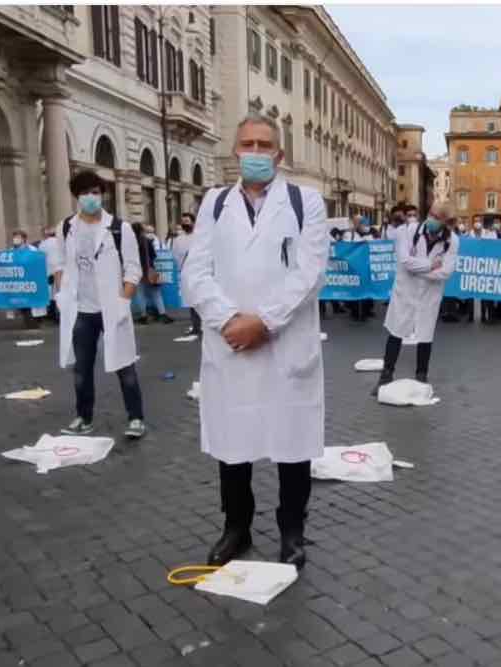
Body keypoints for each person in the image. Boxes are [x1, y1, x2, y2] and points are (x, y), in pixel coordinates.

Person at [182, 113, 329, 570]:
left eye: (265, 145)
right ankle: (236, 528)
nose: (256, 152)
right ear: (235, 152)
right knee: (233, 441)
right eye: (248, 144)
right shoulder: (214, 202)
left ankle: (292, 531)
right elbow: (195, 269)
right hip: (230, 344)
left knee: (292, 443)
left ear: (279, 155)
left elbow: (310, 272)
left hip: (284, 342)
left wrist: (263, 321)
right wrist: (228, 319)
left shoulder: (307, 202)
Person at [55, 170, 147, 440]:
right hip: (80, 309)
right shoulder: (66, 228)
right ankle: (84, 417)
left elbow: (133, 269)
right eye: (85, 193)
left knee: (124, 365)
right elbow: (59, 263)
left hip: (111, 308)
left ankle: (136, 418)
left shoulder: (120, 228)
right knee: (81, 369)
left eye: (95, 192)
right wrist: (61, 294)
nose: (90, 198)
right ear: (76, 196)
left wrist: (123, 301)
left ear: (103, 195)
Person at [373, 201, 458, 395]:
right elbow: (405, 261)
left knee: (425, 336)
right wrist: (429, 266)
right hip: (406, 292)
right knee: (396, 331)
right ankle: (385, 377)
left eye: (437, 217)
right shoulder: (409, 231)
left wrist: (418, 269)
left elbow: (445, 272)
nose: (431, 219)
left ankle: (421, 378)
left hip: (429, 295)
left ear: (445, 222)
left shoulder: (452, 241)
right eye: (431, 214)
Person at [341, 215, 376, 321]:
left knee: (366, 289)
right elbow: (346, 247)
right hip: (354, 266)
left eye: (363, 223)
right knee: (355, 289)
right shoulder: (349, 234)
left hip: (366, 266)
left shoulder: (370, 234)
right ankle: (355, 311)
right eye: (359, 222)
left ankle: (366, 310)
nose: (363, 225)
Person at [171, 212, 201, 335]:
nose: (185, 224)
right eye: (183, 222)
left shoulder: (199, 237)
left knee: (202, 300)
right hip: (186, 272)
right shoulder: (178, 239)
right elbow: (176, 256)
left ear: (193, 222)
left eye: (187, 221)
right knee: (191, 302)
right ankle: (196, 326)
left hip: (200, 272)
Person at [136, 223, 172, 324]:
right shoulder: (146, 241)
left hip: (137, 271)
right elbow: (153, 255)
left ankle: (144, 315)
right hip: (149, 270)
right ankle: (162, 314)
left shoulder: (132, 242)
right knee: (156, 293)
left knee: (140, 294)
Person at [39, 226, 62, 323]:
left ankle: (52, 313)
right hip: (62, 270)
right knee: (59, 293)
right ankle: (59, 314)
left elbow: (40, 256)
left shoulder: (43, 244)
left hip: (49, 271)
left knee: (51, 293)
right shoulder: (61, 242)